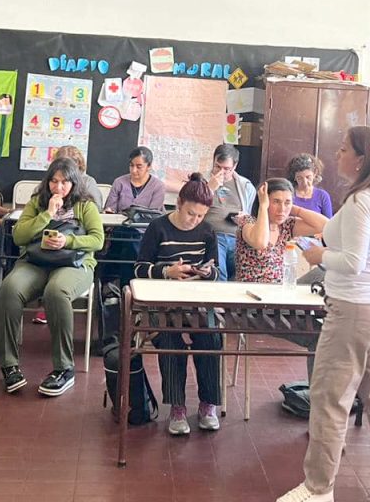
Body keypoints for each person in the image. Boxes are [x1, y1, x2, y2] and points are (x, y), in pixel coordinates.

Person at [278, 127, 370, 502]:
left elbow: (353, 262)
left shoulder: (360, 200)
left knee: (329, 401)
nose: (337, 155)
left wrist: (318, 255)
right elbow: (349, 239)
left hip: (355, 312)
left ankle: (318, 489)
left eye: (343, 149)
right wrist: (299, 213)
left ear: (362, 159)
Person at [0, 157, 104, 397]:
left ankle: (64, 369)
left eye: (65, 182)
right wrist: (47, 214)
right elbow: (19, 236)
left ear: (74, 183)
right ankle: (9, 365)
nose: (58, 187)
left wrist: (68, 241)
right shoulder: (37, 202)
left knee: (56, 292)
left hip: (74, 264)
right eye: (54, 181)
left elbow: (98, 240)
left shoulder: (85, 205)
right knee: (9, 288)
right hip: (36, 261)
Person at [133, 173, 222, 436]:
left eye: (200, 216)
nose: (195, 220)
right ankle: (177, 406)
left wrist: (207, 272)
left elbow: (217, 272)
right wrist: (166, 271)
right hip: (162, 302)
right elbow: (139, 269)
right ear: (179, 203)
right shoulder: (158, 227)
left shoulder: (207, 231)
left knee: (211, 336)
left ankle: (208, 404)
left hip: (196, 299)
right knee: (170, 338)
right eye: (191, 213)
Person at [236, 178, 329, 284]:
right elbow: (260, 243)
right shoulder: (248, 222)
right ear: (264, 200)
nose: (281, 209)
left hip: (280, 288)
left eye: (287, 202)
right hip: (252, 290)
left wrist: (294, 209)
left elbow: (325, 225)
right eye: (276, 202)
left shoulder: (286, 225)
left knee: (321, 273)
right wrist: (263, 206)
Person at [202, 143, 257, 281]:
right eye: (217, 167)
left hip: (238, 236)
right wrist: (209, 189)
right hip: (212, 234)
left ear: (235, 166)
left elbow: (253, 216)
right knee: (220, 273)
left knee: (243, 272)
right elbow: (193, 209)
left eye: (227, 169)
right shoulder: (202, 182)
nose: (221, 172)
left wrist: (245, 218)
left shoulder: (245, 186)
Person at [103, 146, 165, 213]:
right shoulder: (119, 182)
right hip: (120, 219)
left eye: (139, 167)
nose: (134, 170)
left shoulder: (158, 186)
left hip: (146, 220)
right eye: (131, 165)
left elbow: (154, 214)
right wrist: (109, 211)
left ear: (149, 166)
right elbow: (110, 208)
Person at [54, 145, 103, 211]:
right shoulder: (51, 181)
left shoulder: (88, 181)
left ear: (78, 164)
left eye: (68, 165)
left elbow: (97, 207)